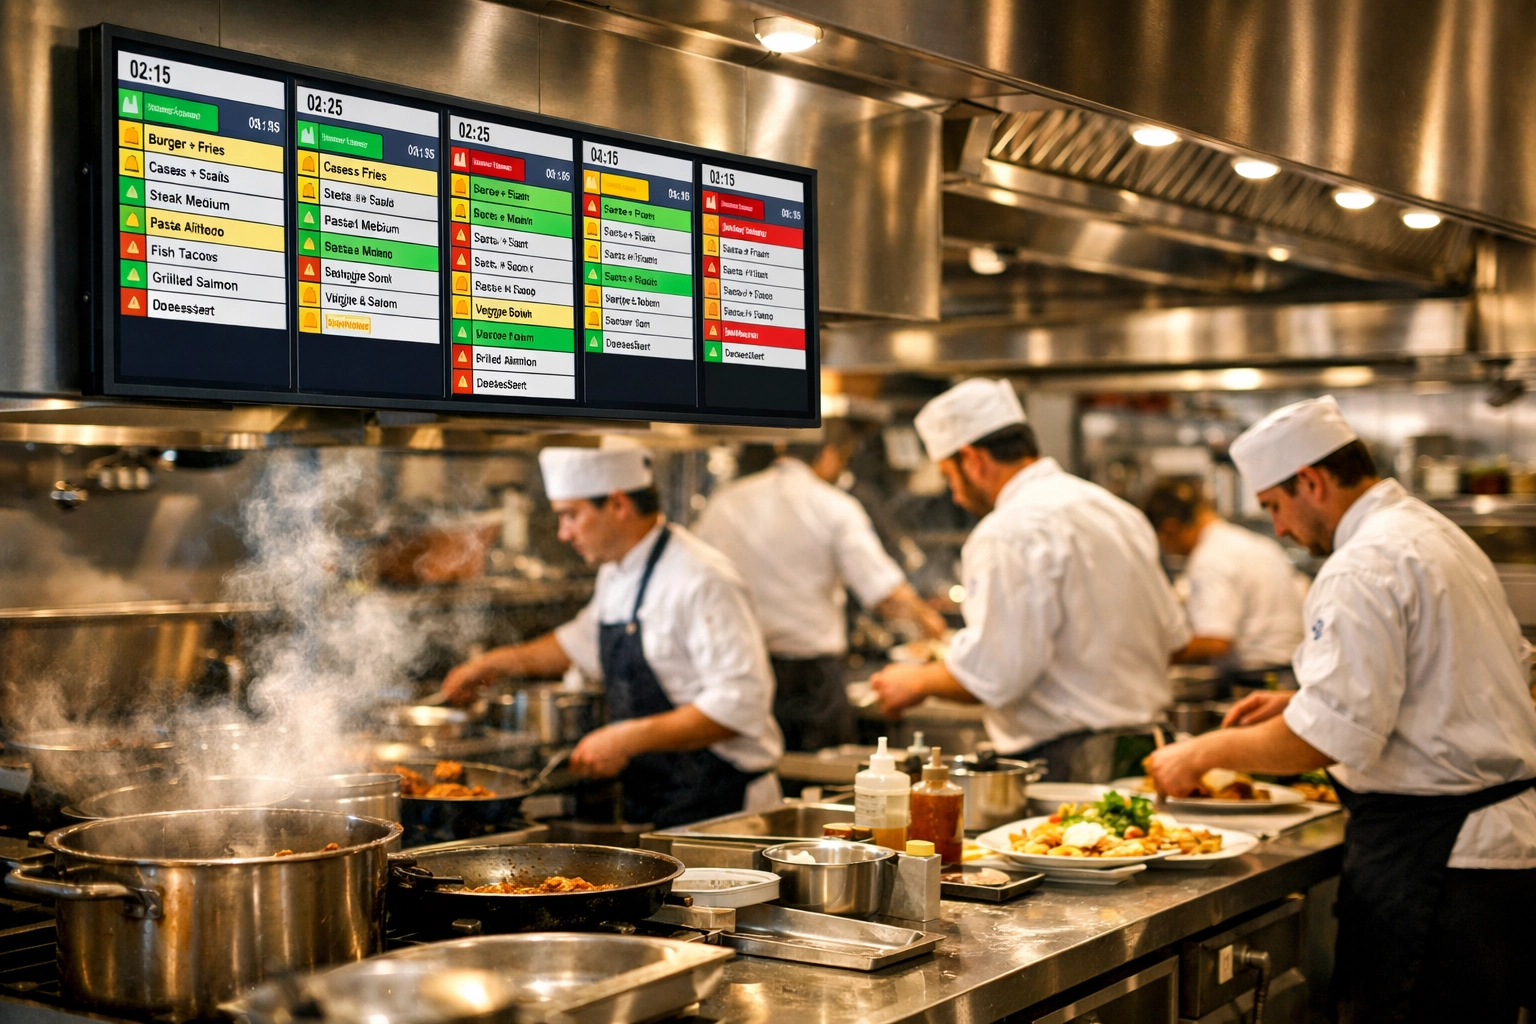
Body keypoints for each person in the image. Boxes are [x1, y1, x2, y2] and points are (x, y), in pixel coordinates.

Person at [1144, 396, 1536, 1024]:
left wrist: (1202, 752)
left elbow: (1329, 735)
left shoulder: (1363, 562)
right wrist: (1303, 699)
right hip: (1489, 855)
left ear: (1312, 481)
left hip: (1439, 862)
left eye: (1274, 506)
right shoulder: (1433, 533)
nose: (1277, 529)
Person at [441, 446, 783, 829]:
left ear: (618, 504)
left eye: (571, 515)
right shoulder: (617, 571)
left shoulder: (702, 579)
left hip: (725, 810)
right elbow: (580, 642)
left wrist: (626, 738)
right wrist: (492, 664)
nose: (563, 533)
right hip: (663, 802)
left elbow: (741, 703)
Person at [870, 379, 1189, 781]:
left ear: (973, 460)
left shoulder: (1007, 530)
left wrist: (916, 680)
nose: (954, 495)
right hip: (1148, 751)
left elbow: (997, 674)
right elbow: (1175, 639)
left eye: (950, 476)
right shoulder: (1115, 511)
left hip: (1073, 765)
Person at [696, 430, 947, 751]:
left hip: (738, 668)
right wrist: (927, 620)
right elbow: (884, 593)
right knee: (819, 777)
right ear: (828, 454)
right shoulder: (834, 506)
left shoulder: (725, 503)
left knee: (752, 771)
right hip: (809, 681)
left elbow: (699, 578)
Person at [1142, 477, 1304, 673]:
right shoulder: (1255, 543)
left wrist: (1152, 655)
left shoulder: (1209, 558)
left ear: (1171, 528)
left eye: (1163, 541)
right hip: (1291, 670)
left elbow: (1216, 641)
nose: (1167, 550)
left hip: (1256, 675)